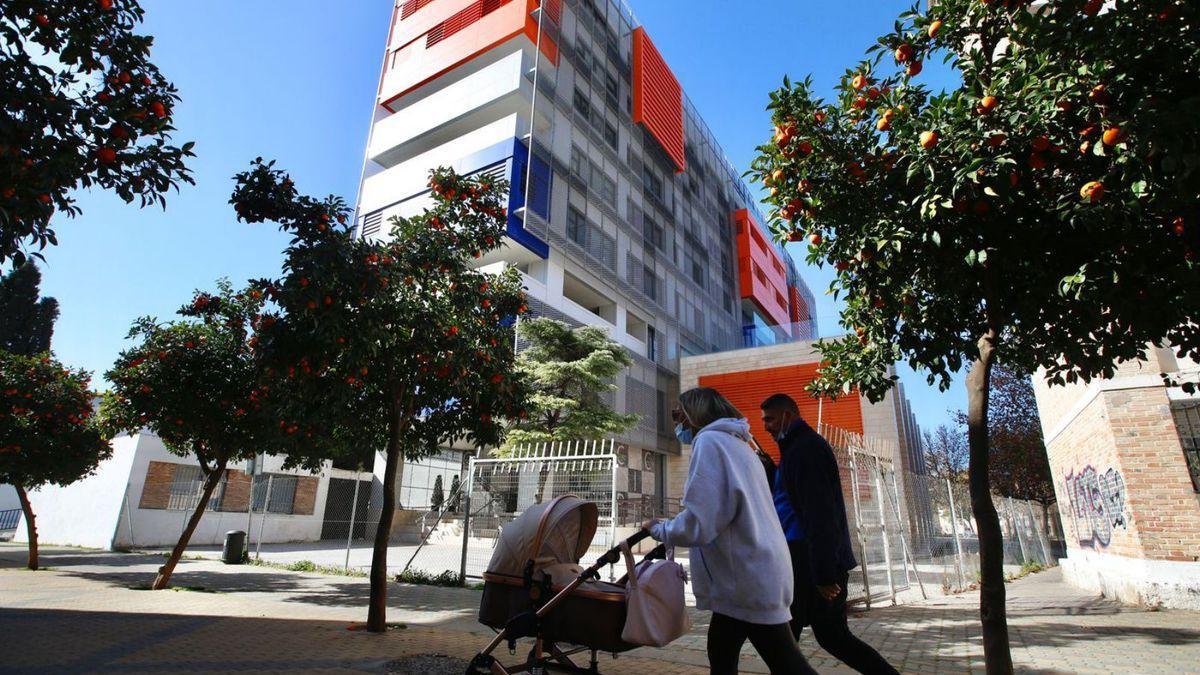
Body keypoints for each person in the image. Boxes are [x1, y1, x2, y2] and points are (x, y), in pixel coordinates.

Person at [642, 387, 816, 675]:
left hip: (746, 577)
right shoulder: (737, 445)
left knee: (785, 661)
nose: (677, 425)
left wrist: (661, 530)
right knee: (722, 650)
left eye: (678, 415)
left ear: (694, 414)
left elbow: (702, 521)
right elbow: (720, 508)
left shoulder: (709, 442)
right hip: (752, 570)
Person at [760, 393, 899, 675]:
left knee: (795, 640)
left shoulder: (805, 449)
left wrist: (824, 574)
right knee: (818, 637)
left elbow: (820, 513)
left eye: (770, 419)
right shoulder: (794, 450)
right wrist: (771, 470)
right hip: (802, 560)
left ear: (788, 415)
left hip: (807, 563)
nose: (766, 426)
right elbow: (791, 497)